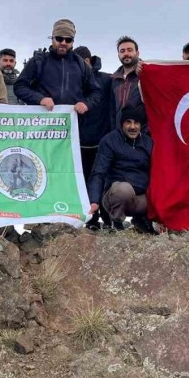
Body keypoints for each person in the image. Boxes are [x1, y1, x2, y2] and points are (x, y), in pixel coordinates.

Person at [87, 107, 156, 234]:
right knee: (124, 190)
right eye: (128, 122)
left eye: (136, 123)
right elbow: (98, 173)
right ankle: (116, 222)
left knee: (160, 192)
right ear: (122, 124)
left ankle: (143, 221)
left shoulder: (148, 142)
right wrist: (94, 201)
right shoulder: (109, 141)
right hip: (116, 196)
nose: (133, 127)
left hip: (141, 198)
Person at [13, 19, 103, 112]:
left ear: (72, 42)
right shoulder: (39, 61)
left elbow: (96, 92)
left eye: (68, 40)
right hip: (42, 122)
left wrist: (86, 104)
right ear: (52, 38)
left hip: (72, 123)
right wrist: (40, 99)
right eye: (59, 38)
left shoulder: (81, 64)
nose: (63, 43)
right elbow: (19, 86)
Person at [74, 46, 114, 230]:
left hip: (101, 139)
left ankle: (109, 218)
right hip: (78, 142)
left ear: (89, 61)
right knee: (81, 180)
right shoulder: (73, 81)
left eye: (82, 62)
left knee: (102, 179)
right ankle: (90, 219)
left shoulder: (106, 80)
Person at [110, 36, 146, 128]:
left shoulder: (147, 75)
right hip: (119, 134)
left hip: (142, 134)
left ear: (137, 53)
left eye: (129, 50)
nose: (126, 53)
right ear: (118, 55)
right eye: (122, 51)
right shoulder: (113, 79)